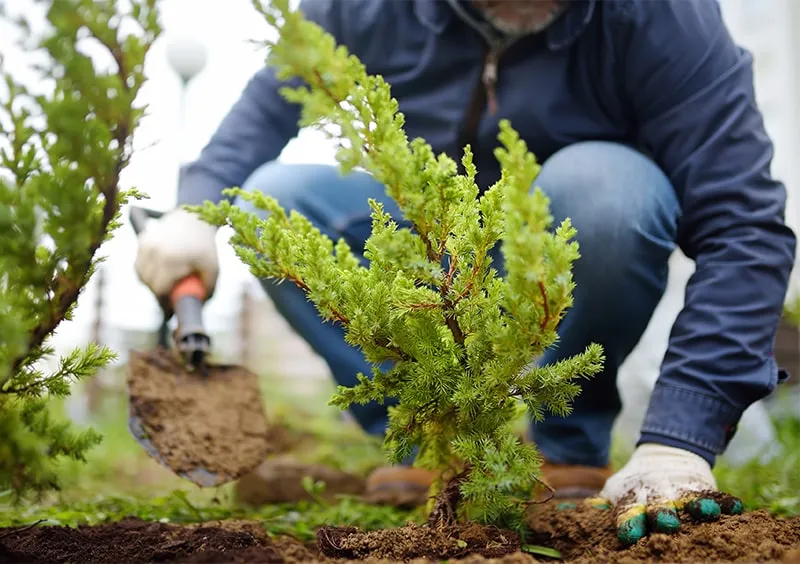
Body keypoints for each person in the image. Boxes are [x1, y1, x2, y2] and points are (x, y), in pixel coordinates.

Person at [134, 0, 797, 545]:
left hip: (565, 244)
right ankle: (428, 436)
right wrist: (196, 208)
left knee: (607, 192)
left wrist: (680, 439)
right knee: (265, 204)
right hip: (432, 241)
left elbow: (743, 225)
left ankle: (568, 440)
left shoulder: (664, 16)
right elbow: (267, 106)